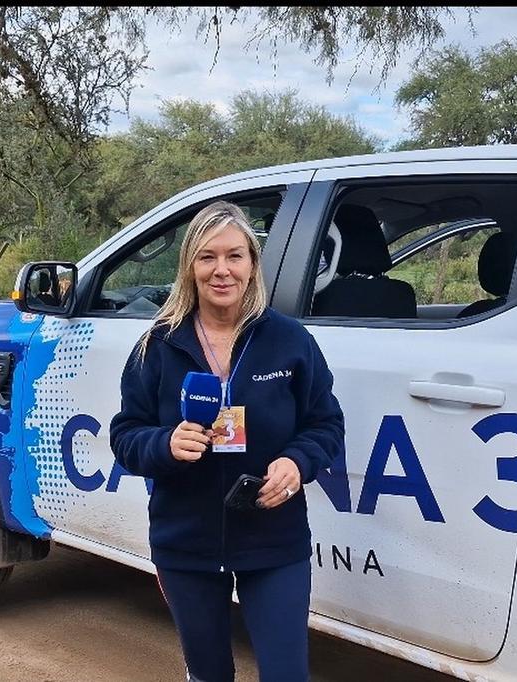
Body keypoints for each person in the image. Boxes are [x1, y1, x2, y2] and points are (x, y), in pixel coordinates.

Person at [109, 200, 346, 682]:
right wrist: (164, 445)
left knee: (286, 675)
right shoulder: (157, 346)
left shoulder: (289, 340)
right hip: (185, 543)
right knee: (210, 674)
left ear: (252, 265)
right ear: (190, 266)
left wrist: (298, 464)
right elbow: (126, 433)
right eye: (207, 257)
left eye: (235, 256)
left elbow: (326, 424)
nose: (222, 270)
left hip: (273, 539)